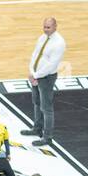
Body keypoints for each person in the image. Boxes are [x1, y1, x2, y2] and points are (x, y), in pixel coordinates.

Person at [24, 17, 65, 148]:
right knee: (36, 102)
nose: (46, 29)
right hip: (36, 75)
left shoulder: (59, 43)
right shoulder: (42, 37)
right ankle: (37, 128)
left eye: (48, 27)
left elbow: (51, 65)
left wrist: (36, 75)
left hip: (46, 78)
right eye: (44, 27)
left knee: (46, 108)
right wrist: (31, 70)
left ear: (55, 27)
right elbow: (35, 54)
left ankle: (48, 137)